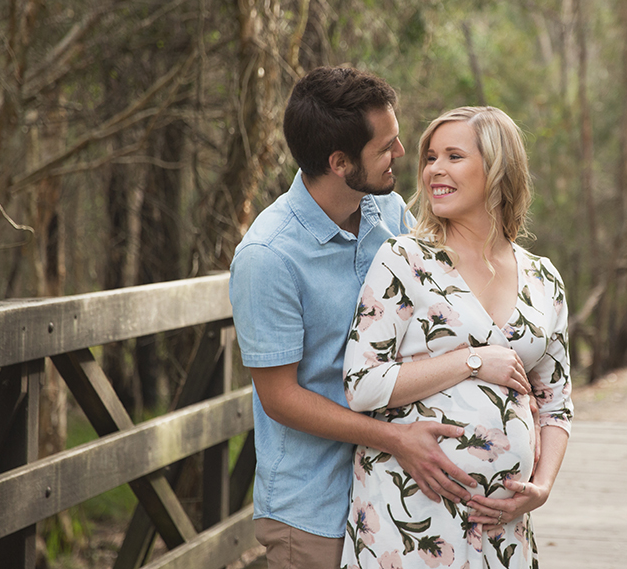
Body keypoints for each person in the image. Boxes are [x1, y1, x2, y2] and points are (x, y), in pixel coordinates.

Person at [229, 67, 483, 569]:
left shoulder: (389, 213)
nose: (402, 153)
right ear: (340, 162)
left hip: (395, 493)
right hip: (315, 508)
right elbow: (279, 398)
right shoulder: (267, 257)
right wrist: (396, 439)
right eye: (385, 147)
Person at [340, 106, 574, 569]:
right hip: (408, 518)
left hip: (503, 530)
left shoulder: (543, 278)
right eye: (430, 158)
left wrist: (542, 487)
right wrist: (472, 361)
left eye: (453, 156)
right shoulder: (404, 259)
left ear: (498, 168)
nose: (434, 170)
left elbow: (557, 403)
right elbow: (361, 384)